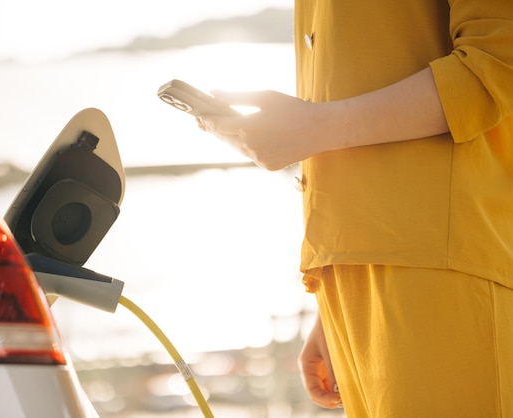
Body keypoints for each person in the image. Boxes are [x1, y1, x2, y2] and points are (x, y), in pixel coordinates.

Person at [196, 0, 513, 416]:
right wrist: (333, 298)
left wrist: (313, 127)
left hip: (440, 267)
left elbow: (498, 62)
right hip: (361, 277)